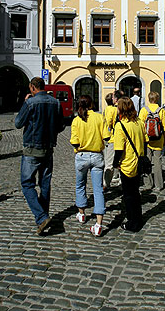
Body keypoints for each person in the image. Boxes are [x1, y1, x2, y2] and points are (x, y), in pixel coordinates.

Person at [15, 77, 64, 235]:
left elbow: (18, 123)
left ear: (32, 87)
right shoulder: (55, 103)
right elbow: (61, 125)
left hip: (31, 149)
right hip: (48, 149)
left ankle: (41, 216)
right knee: (44, 185)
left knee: (27, 184)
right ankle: (44, 218)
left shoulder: (30, 103)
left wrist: (25, 102)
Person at [70, 95, 108, 236]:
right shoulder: (99, 117)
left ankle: (82, 214)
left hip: (82, 156)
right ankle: (98, 224)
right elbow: (106, 136)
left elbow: (74, 141)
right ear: (92, 104)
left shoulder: (76, 120)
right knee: (98, 189)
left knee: (80, 185)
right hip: (97, 156)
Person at [113, 97, 149, 232]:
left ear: (121, 109)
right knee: (136, 193)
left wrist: (115, 163)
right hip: (138, 162)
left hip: (127, 164)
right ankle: (138, 219)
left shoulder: (120, 125)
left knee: (128, 195)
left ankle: (132, 223)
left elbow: (118, 149)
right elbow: (145, 142)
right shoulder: (139, 122)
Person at [139, 92, 165, 191]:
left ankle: (148, 184)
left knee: (147, 162)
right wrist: (164, 140)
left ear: (148, 99)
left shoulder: (144, 110)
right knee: (158, 163)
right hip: (158, 140)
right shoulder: (161, 111)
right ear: (157, 99)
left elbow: (140, 126)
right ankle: (158, 185)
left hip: (147, 141)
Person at [103, 90, 123, 188]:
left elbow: (108, 123)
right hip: (122, 139)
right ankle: (120, 182)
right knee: (121, 162)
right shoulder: (122, 108)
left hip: (112, 139)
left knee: (109, 162)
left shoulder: (110, 109)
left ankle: (106, 183)